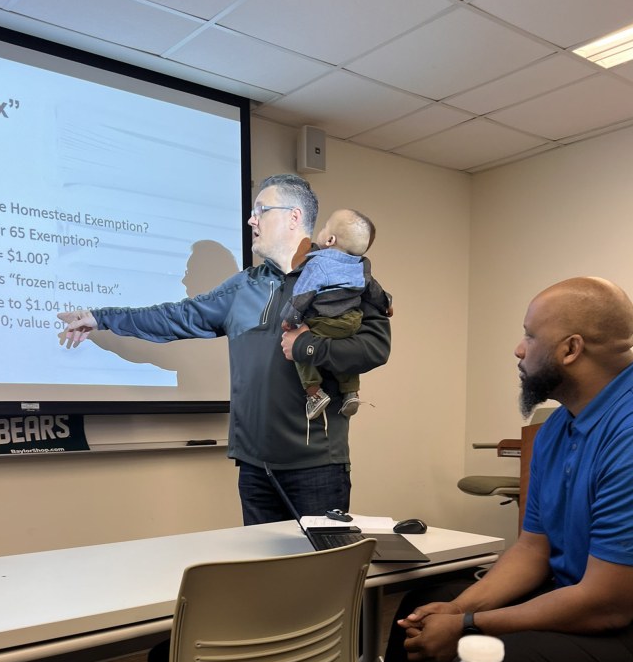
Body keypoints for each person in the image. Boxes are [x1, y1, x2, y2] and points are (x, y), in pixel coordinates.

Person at [325, 276, 633, 662]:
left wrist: (471, 628)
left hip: (626, 624)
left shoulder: (631, 435)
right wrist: (455, 609)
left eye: (528, 336)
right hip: (578, 597)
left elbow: (607, 604)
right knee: (420, 611)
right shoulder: (560, 428)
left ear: (570, 349)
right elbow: (531, 551)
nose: (519, 349)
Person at [58, 174, 391, 525]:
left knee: (320, 576)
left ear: (294, 217)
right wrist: (101, 318)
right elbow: (176, 316)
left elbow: (374, 347)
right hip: (254, 469)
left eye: (261, 209)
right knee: (264, 578)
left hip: (316, 468)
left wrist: (307, 346)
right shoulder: (243, 287)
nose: (251, 219)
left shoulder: (345, 277)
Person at [280, 208, 386, 429]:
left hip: (325, 322)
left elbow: (302, 295)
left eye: (325, 225)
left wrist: (290, 320)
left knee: (298, 344)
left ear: (329, 239)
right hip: (352, 323)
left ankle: (314, 394)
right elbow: (374, 291)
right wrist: (388, 304)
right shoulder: (361, 265)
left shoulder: (318, 264)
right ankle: (350, 393)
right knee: (345, 357)